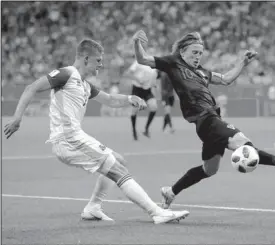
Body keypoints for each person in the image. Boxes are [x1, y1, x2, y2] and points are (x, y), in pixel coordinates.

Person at [4, 39, 189, 224]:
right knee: (117, 169)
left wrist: (130, 97)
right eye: (98, 60)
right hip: (69, 140)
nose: (101, 64)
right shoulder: (66, 74)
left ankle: (93, 208)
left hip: (76, 137)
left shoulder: (84, 84)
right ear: (86, 59)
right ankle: (156, 212)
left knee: (117, 161)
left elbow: (109, 99)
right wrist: (17, 118)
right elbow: (32, 87)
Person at [132, 30, 275, 209]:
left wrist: (242, 63)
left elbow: (226, 79)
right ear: (183, 51)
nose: (198, 56)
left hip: (210, 121)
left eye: (200, 53)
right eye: (194, 52)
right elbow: (143, 59)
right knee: (240, 140)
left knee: (209, 169)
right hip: (205, 118)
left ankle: (171, 192)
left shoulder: (202, 72)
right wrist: (136, 43)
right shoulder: (172, 63)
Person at [125, 59, 158, 140]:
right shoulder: (138, 62)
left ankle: (146, 129)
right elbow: (128, 73)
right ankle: (134, 131)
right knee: (134, 111)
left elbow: (153, 79)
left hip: (147, 90)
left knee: (154, 107)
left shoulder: (154, 66)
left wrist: (154, 84)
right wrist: (138, 80)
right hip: (137, 89)